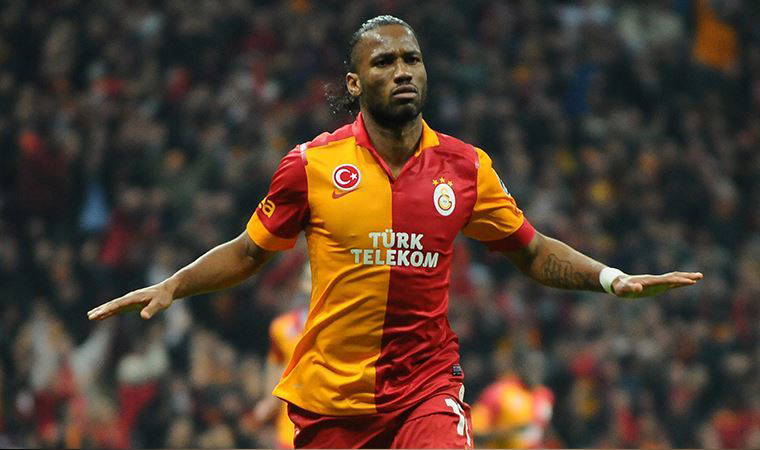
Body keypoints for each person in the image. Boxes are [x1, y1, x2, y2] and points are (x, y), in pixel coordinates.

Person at [88, 15, 703, 449]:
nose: (403, 70)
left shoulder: (466, 167)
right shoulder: (311, 166)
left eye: (412, 59)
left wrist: (612, 278)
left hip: (426, 387)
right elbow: (250, 253)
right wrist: (174, 285)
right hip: (333, 403)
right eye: (384, 62)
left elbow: (534, 252)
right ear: (355, 84)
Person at [471, 350, 554, 448]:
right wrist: (508, 433)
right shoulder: (499, 392)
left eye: (539, 368)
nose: (535, 372)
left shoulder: (545, 395)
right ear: (520, 368)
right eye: (531, 367)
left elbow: (543, 429)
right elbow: (473, 431)